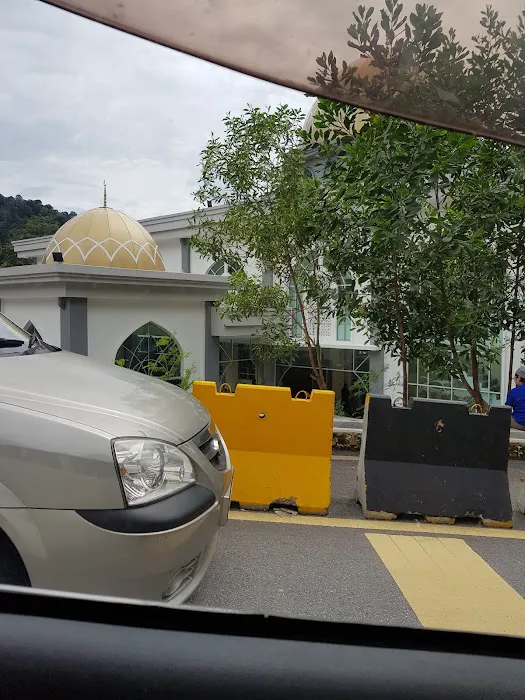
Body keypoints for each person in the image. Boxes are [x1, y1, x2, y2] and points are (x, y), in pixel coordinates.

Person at [505, 366, 525, 431]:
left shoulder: (514, 392)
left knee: (502, 417)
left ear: (519, 378)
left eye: (514, 378)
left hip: (520, 423)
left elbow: (506, 409)